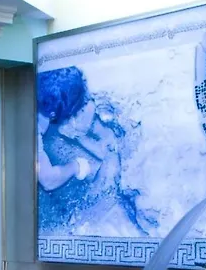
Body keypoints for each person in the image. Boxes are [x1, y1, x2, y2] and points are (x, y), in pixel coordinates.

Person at [37, 66, 156, 236]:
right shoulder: (33, 128)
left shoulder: (39, 84)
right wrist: (76, 166)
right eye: (71, 114)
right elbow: (48, 180)